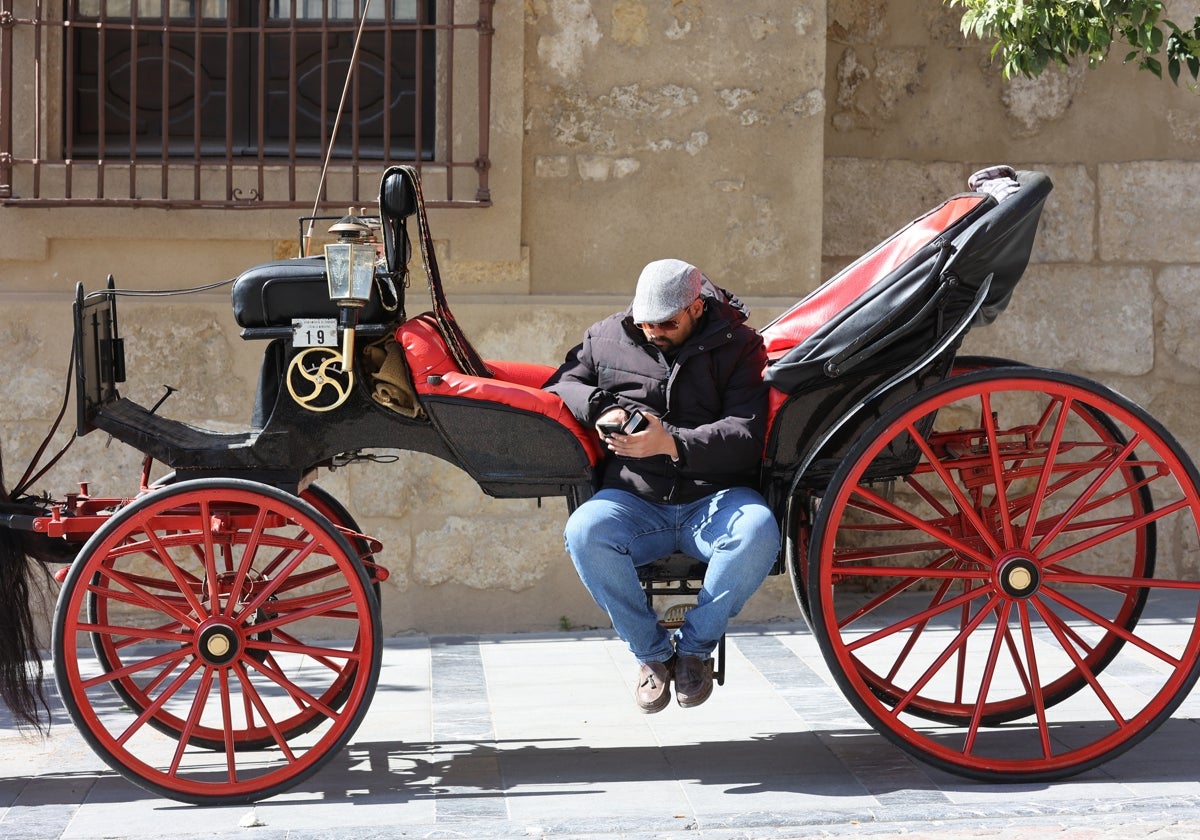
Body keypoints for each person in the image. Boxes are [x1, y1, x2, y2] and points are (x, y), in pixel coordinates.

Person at [544, 259, 781, 712]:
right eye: (644, 322)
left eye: (667, 323)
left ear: (696, 308)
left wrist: (672, 443)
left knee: (758, 530)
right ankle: (652, 657)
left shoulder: (741, 345)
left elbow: (747, 435)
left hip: (716, 496)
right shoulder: (605, 336)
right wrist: (600, 409)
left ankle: (694, 651)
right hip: (633, 499)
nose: (653, 331)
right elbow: (561, 385)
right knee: (584, 532)